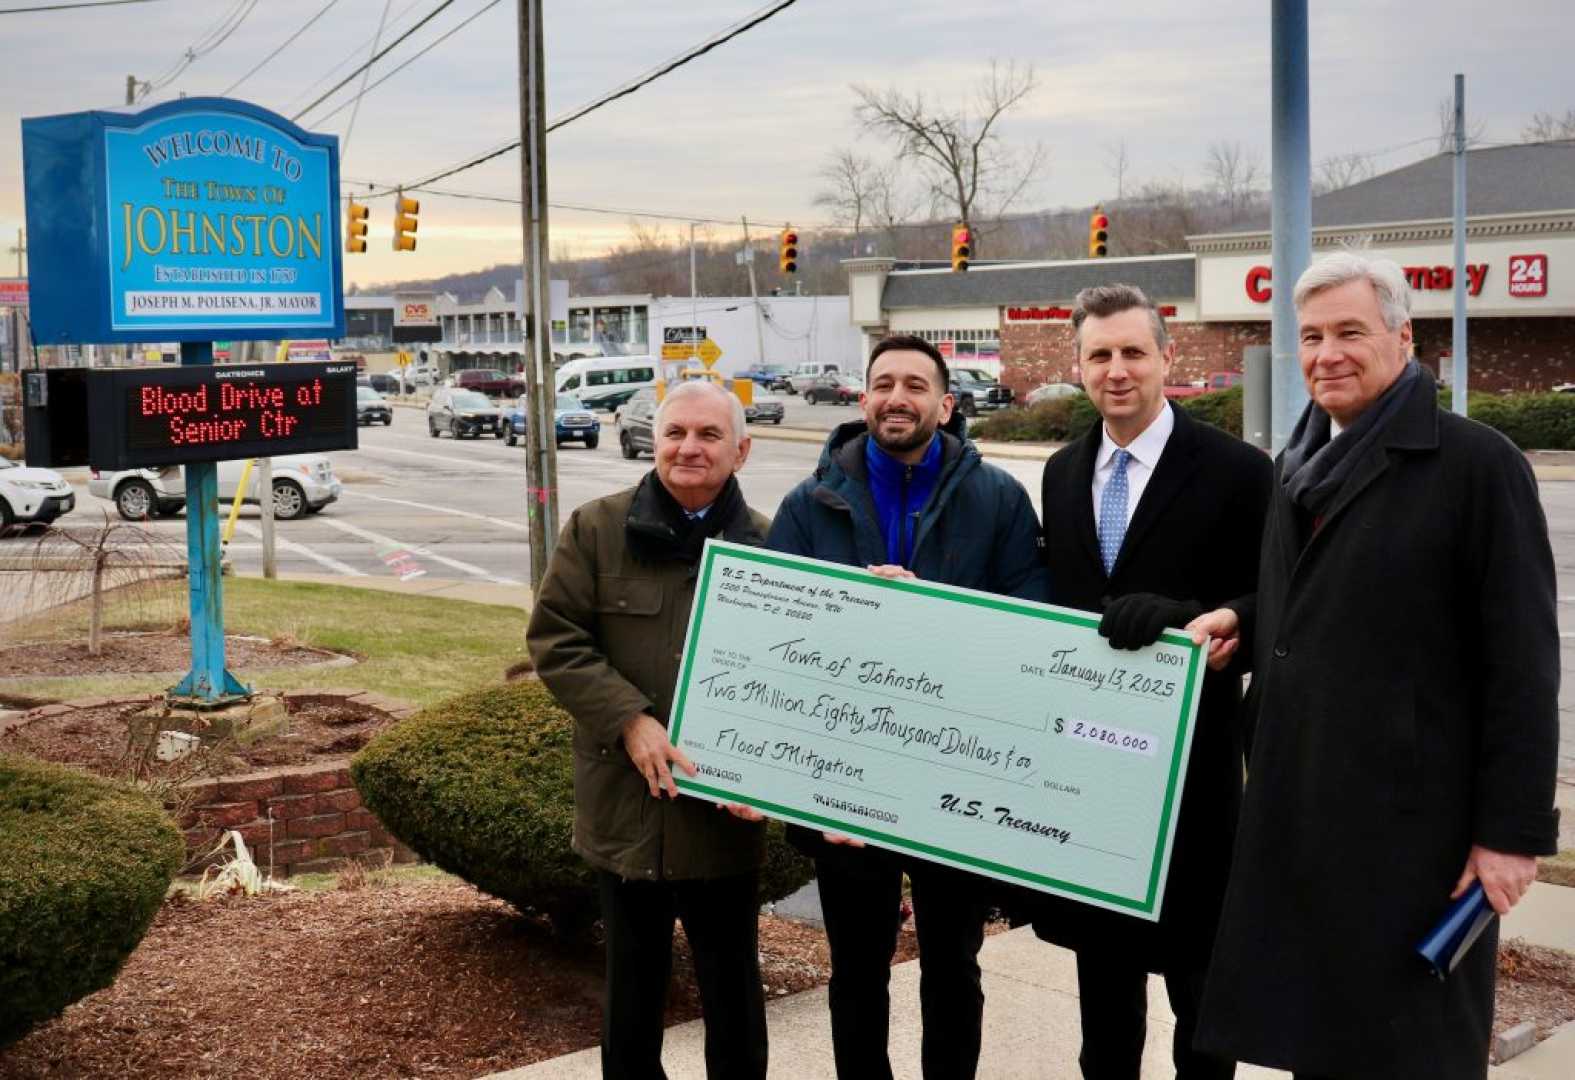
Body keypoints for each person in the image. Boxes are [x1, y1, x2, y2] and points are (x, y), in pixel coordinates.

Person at [1189, 251, 1560, 1080]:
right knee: (1318, 1044)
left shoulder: (1476, 465)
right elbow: (1322, 600)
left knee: (1407, 1050)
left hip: (1416, 836)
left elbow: (1523, 664)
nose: (1327, 353)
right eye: (1311, 336)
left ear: (1402, 336)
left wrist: (1511, 835)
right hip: (1301, 810)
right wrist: (1243, 623)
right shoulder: (1299, 463)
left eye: (1349, 331)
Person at [766, 333, 1049, 1079]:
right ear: (862, 400)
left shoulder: (997, 499)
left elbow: (1033, 615)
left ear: (945, 404)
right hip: (844, 777)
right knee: (856, 967)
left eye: (916, 385)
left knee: (952, 963)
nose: (898, 397)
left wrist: (932, 611)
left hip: (952, 776)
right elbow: (773, 636)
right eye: (883, 383)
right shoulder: (808, 504)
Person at [1029, 284, 1271, 1080]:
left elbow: (1275, 595)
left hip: (1190, 775)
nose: (1117, 369)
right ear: (1078, 365)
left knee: (1200, 994)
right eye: (1099, 354)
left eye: (1133, 351)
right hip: (1090, 777)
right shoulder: (1063, 473)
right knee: (1103, 991)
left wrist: (1212, 618)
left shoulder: (1237, 471)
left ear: (1169, 357)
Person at [526, 380, 771, 1080]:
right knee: (631, 999)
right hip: (625, 808)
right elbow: (556, 640)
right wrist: (628, 719)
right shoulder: (595, 529)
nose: (688, 448)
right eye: (675, 434)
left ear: (740, 450)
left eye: (708, 435)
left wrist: (768, 776)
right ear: (652, 441)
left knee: (733, 997)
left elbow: (799, 677)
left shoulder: (771, 544)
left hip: (722, 816)